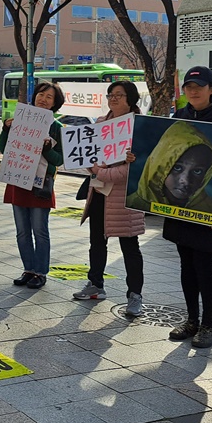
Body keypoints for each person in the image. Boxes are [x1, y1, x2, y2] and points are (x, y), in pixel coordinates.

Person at [160, 66, 212, 349]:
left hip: (211, 208)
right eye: (189, 86)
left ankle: (209, 325)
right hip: (182, 208)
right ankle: (191, 319)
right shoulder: (180, 117)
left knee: (204, 265)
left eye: (199, 86)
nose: (193, 91)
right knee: (186, 264)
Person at [73, 81, 146, 317]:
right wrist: (92, 168)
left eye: (119, 95)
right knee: (96, 241)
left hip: (124, 197)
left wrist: (99, 172)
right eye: (110, 95)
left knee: (130, 247)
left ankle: (135, 296)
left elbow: (133, 169)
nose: (113, 99)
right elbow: (88, 157)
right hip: (99, 192)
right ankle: (95, 284)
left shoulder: (140, 127)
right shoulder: (101, 124)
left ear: (131, 99)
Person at [0, 82, 65, 290]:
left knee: (40, 230)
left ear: (55, 103)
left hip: (40, 185)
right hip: (18, 180)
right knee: (22, 231)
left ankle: (40, 272)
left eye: (49, 97)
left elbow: (59, 160)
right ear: (34, 96)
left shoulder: (57, 127)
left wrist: (45, 148)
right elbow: (3, 148)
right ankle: (28, 269)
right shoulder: (20, 119)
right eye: (41, 94)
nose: (43, 99)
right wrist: (5, 128)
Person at [125, 121, 212, 214]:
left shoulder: (211, 211)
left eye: (197, 171)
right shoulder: (134, 203)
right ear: (160, 165)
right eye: (177, 168)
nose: (185, 180)